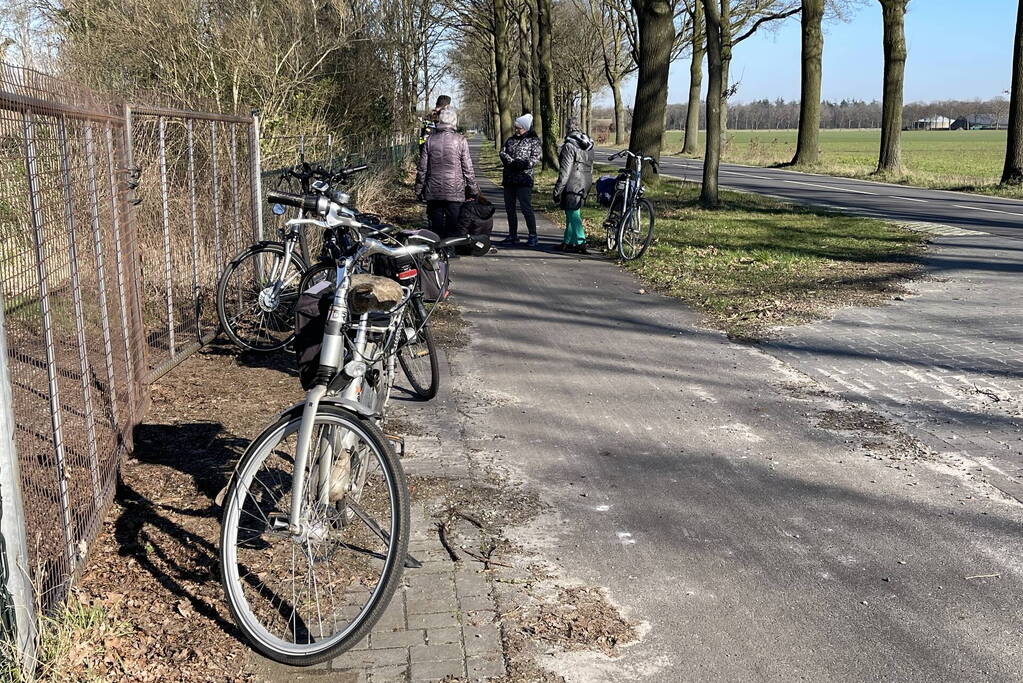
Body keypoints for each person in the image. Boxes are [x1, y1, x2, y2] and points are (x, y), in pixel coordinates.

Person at [415, 107, 478, 238]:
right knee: (453, 225)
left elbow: (422, 168)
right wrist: (473, 189)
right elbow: (468, 168)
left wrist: (419, 189)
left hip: (433, 190)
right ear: (454, 121)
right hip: (454, 189)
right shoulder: (460, 140)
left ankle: (436, 252)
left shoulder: (430, 140)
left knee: (435, 226)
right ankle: (450, 251)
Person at [496, 113, 541, 247]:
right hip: (509, 179)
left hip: (524, 180)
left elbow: (535, 157)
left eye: (519, 128)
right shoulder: (510, 140)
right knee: (510, 208)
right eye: (516, 128)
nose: (516, 130)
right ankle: (512, 235)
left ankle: (533, 235)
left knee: (526, 208)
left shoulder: (533, 140)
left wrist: (524, 164)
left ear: (525, 128)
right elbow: (503, 152)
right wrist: (510, 161)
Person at [552, 127, 594, 254]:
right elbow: (591, 167)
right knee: (572, 213)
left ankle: (581, 242)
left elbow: (565, 172)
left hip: (572, 182)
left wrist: (557, 190)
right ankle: (568, 242)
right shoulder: (589, 145)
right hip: (585, 182)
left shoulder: (569, 146)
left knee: (574, 215)